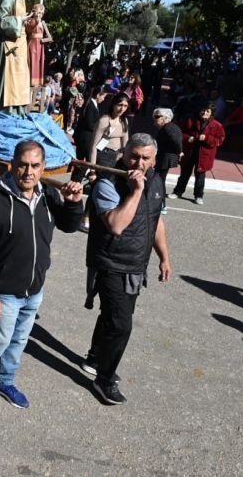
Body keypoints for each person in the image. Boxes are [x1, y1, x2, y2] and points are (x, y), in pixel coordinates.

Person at [0, 140, 84, 409]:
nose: (28, 172)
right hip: (3, 292)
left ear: (44, 168)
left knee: (19, 340)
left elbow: (69, 226)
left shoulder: (48, 195)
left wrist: (75, 203)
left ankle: (4, 380)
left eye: (35, 166)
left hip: (34, 290)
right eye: (23, 165)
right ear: (12, 165)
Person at [81, 133, 171, 405]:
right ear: (124, 153)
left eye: (146, 158)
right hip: (111, 262)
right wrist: (136, 190)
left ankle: (96, 358)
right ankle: (104, 379)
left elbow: (155, 220)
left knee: (114, 316)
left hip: (136, 263)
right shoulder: (107, 183)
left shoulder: (155, 181)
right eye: (134, 156)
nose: (139, 163)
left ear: (154, 160)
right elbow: (117, 225)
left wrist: (164, 257)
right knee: (121, 325)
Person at [171, 103, 225, 205]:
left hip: (204, 155)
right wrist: (188, 138)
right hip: (190, 152)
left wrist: (207, 138)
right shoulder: (190, 121)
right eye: (203, 110)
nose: (204, 113)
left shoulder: (217, 125)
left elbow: (220, 140)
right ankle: (178, 191)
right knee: (184, 174)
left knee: (200, 177)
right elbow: (181, 132)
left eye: (208, 111)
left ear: (211, 113)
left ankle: (198, 196)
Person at [150, 108, 182, 214]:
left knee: (159, 181)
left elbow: (176, 141)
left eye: (157, 117)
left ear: (165, 118)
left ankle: (161, 205)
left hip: (165, 158)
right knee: (159, 181)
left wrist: (179, 152)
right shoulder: (170, 127)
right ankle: (160, 204)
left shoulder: (168, 128)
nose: (154, 119)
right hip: (165, 158)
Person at [25, 3, 52, 87]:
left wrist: (44, 40)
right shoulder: (31, 20)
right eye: (38, 12)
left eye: (41, 13)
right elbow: (28, 29)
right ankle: (30, 80)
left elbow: (49, 36)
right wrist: (36, 20)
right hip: (33, 43)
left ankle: (38, 81)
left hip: (40, 45)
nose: (40, 14)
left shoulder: (43, 23)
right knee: (32, 60)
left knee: (39, 61)